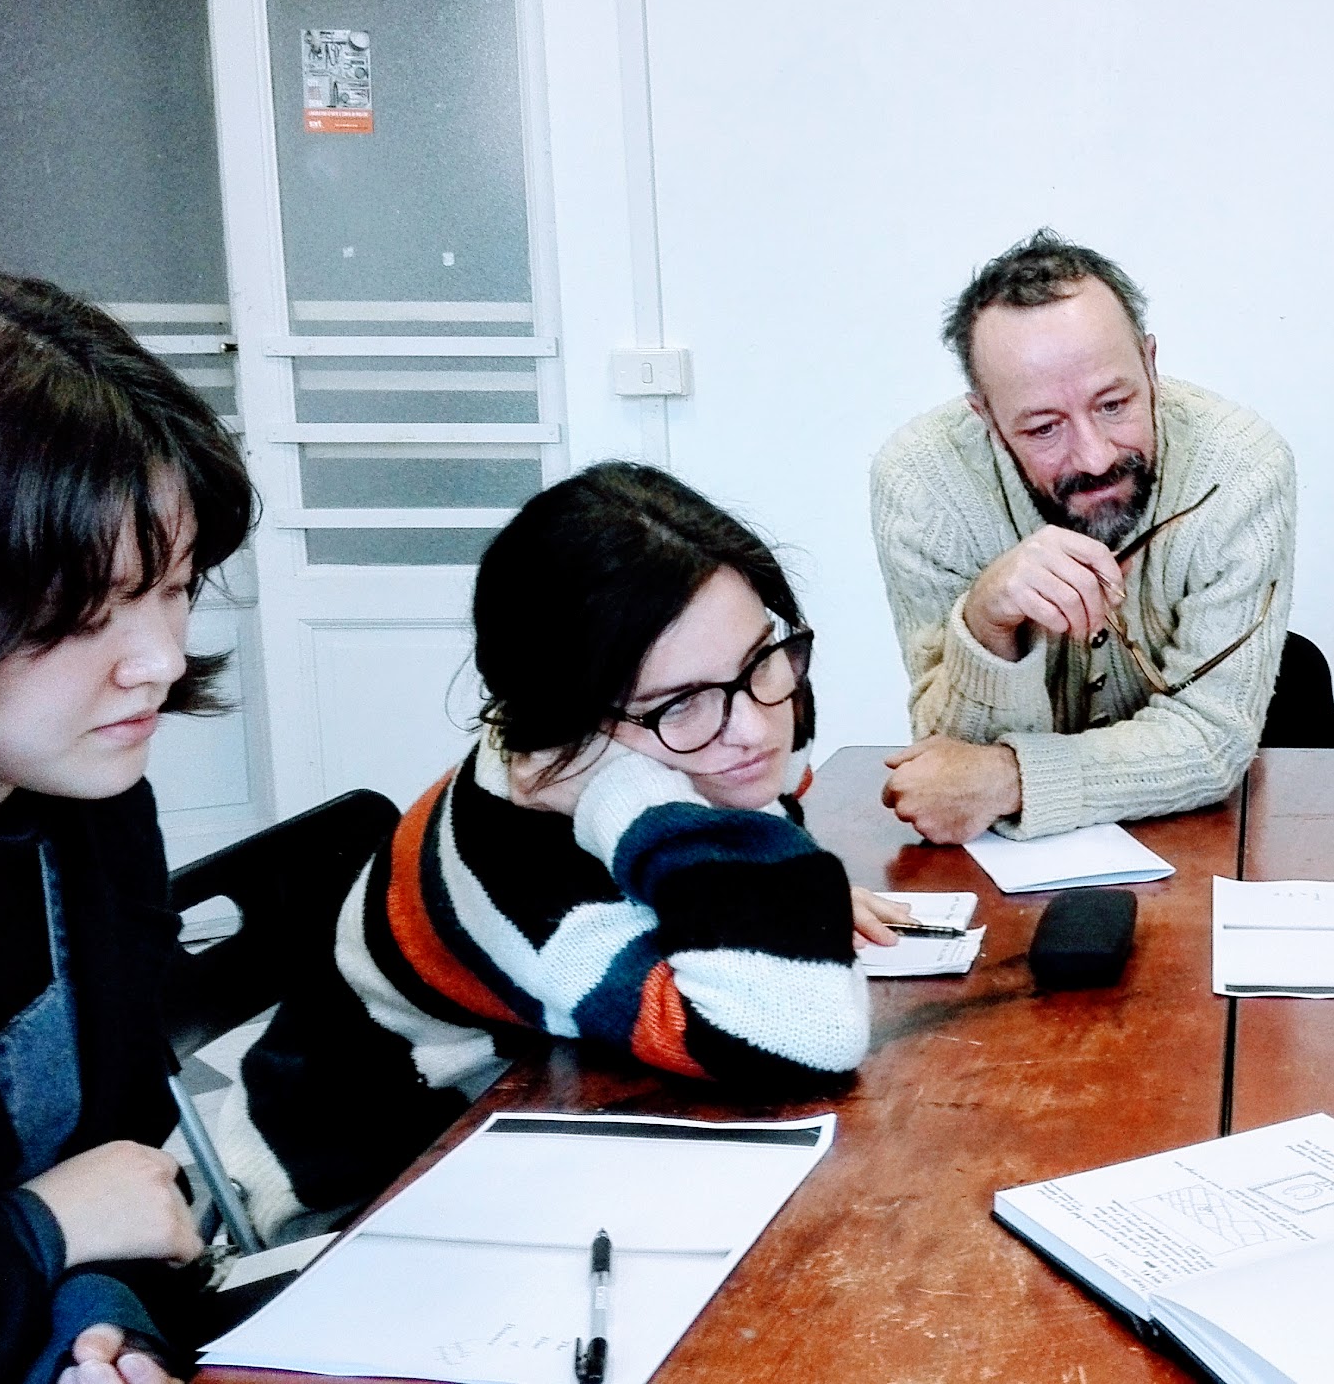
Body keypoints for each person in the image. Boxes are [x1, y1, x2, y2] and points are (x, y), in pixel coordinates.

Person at [219, 462, 892, 1241]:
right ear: (570, 724)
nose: (752, 728)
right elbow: (801, 1034)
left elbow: (769, 811)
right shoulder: (516, 873)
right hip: (364, 1196)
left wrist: (765, 897)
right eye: (677, 702)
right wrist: (642, 807)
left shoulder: (706, 731)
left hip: (539, 1112)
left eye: (759, 658)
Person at [0, 263, 256, 1384]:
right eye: (85, 611)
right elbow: (77, 1202)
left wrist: (103, 1324)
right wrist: (42, 1233)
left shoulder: (86, 808)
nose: (159, 661)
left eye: (174, 586)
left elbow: (126, 1167)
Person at [870, 230, 1297, 843]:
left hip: (1201, 843)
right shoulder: (921, 481)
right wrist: (986, 623)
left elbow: (1213, 741)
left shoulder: (1240, 466)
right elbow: (949, 774)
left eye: (1114, 404)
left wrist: (1014, 778)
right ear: (986, 417)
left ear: (1150, 364)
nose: (1095, 457)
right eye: (1044, 428)